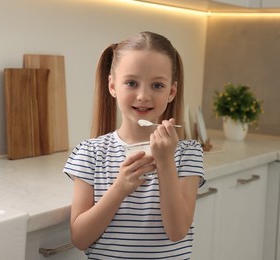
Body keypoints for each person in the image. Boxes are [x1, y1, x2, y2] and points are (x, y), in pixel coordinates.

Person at [64, 31, 205, 259]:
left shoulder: (187, 153)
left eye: (157, 86)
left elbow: (178, 231)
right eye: (131, 83)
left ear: (171, 92)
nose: (143, 95)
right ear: (112, 86)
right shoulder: (90, 153)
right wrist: (120, 188)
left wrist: (166, 162)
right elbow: (80, 239)